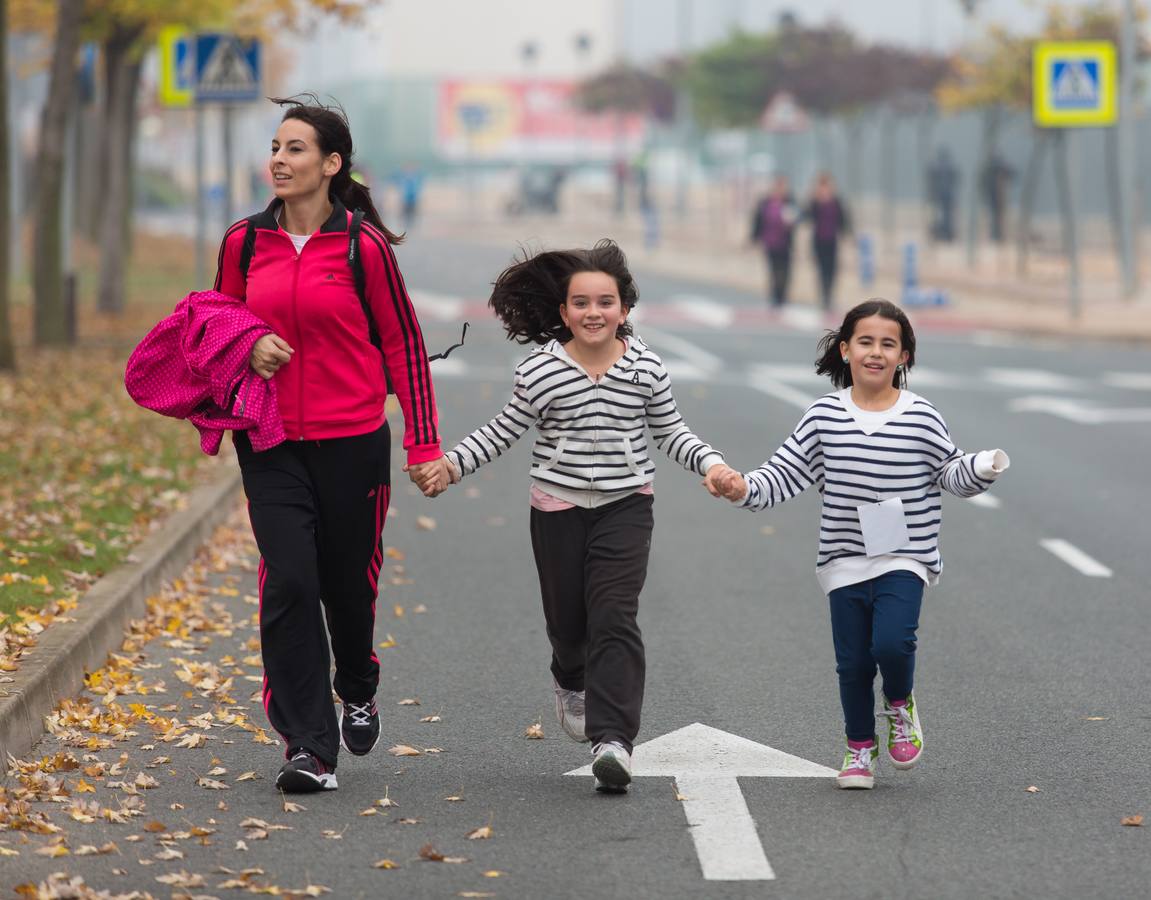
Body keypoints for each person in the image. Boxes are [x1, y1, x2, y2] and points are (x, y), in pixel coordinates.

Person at [416, 240, 736, 794]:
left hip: (626, 507)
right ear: (564, 313)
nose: (595, 313)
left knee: (614, 616)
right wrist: (451, 467)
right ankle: (569, 677)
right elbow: (503, 430)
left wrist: (713, 466)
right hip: (556, 509)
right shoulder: (540, 371)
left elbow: (672, 433)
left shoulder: (646, 368)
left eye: (606, 302)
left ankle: (613, 741)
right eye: (582, 303)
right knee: (568, 624)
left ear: (625, 310)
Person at [212, 95, 448, 794]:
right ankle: (308, 747)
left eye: (294, 149)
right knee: (290, 580)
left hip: (353, 441)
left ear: (331, 163)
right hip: (270, 440)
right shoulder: (243, 243)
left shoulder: (360, 245)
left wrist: (423, 444)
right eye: (275, 148)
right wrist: (248, 345)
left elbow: (402, 342)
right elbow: (214, 325)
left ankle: (359, 683)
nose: (278, 161)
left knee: (348, 586)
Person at [706, 299, 1009, 790]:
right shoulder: (823, 415)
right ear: (845, 349)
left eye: (888, 344)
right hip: (844, 558)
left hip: (905, 555)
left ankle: (899, 702)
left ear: (904, 356)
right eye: (865, 342)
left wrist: (983, 467)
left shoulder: (922, 416)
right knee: (852, 662)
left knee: (892, 642)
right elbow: (785, 474)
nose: (876, 352)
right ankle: (859, 750)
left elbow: (949, 472)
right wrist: (741, 487)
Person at [803, 172, 849, 312]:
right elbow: (805, 216)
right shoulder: (814, 202)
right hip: (818, 240)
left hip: (832, 240)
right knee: (821, 270)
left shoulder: (836, 201)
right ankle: (824, 297)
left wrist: (848, 233)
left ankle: (829, 297)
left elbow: (844, 219)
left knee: (832, 270)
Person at [750, 174, 798, 308]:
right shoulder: (765, 202)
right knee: (774, 270)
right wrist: (754, 237)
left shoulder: (790, 201)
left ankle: (783, 295)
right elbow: (757, 220)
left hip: (785, 242)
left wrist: (793, 220)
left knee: (786, 270)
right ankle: (775, 296)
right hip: (770, 241)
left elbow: (798, 217)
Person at [926, 146, 959, 243]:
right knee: (946, 216)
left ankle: (942, 234)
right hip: (947, 196)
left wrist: (931, 195)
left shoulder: (935, 167)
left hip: (940, 196)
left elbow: (931, 181)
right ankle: (946, 234)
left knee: (939, 216)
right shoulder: (951, 167)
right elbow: (956, 180)